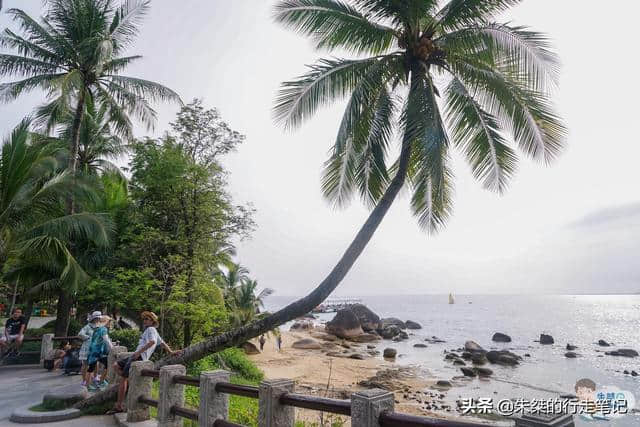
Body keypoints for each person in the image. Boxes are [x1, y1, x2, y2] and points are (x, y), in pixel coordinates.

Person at [109, 311, 180, 414]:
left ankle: (119, 405)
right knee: (116, 365)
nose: (144, 321)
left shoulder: (151, 329)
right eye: (144, 319)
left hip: (139, 356)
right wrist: (171, 351)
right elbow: (162, 342)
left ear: (152, 321)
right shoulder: (152, 330)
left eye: (147, 319)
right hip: (135, 355)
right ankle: (129, 380)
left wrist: (139, 352)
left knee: (123, 379)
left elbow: (153, 342)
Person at [86, 315, 113, 391]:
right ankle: (91, 385)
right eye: (109, 321)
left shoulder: (96, 329)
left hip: (94, 351)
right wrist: (112, 348)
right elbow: (106, 339)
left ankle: (98, 382)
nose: (109, 323)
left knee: (92, 368)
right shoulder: (103, 329)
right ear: (106, 321)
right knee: (92, 368)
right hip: (97, 352)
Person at [78, 311, 100, 385]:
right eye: (97, 318)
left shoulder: (99, 326)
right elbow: (80, 334)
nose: (98, 319)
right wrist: (89, 338)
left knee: (96, 362)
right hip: (87, 348)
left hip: (95, 348)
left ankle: (95, 376)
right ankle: (84, 380)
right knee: (85, 364)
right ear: (94, 318)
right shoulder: (87, 326)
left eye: (99, 318)